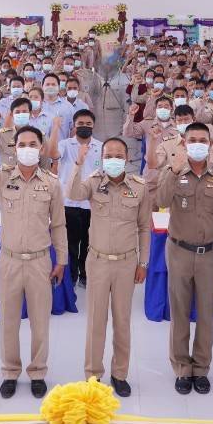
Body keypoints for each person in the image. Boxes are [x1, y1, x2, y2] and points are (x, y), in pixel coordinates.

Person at [0, 125, 68, 399]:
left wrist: (62, 260)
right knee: (8, 321)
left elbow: (58, 225)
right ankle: (10, 371)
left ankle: (38, 371)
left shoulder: (51, 183)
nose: (28, 149)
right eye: (22, 144)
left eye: (33, 144)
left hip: (40, 261)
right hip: (8, 260)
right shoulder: (2, 177)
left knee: (40, 322)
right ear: (15, 148)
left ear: (41, 148)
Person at [156, 121, 213, 396]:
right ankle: (182, 368)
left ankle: (201, 368)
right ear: (184, 143)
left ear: (211, 144)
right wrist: (173, 168)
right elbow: (161, 200)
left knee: (206, 314)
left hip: (211, 254)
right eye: (193, 140)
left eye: (203, 139)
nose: (198, 144)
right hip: (178, 250)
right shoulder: (175, 172)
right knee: (178, 313)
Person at [66, 136, 149, 396]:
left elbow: (145, 227)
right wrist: (77, 164)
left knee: (122, 321)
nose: (113, 159)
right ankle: (93, 374)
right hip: (98, 261)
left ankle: (120, 374)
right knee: (96, 322)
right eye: (108, 155)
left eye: (118, 155)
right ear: (102, 158)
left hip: (126, 263)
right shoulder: (92, 182)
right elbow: (72, 193)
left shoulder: (139, 187)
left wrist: (143, 262)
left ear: (127, 158)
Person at [51, 109, 101, 288]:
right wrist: (55, 128)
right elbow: (52, 154)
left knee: (89, 242)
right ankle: (70, 276)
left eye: (88, 124)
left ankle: (85, 274)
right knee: (70, 242)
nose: (84, 127)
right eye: (80, 124)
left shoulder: (101, 147)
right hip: (69, 202)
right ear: (74, 125)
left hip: (92, 204)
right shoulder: (65, 144)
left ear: (94, 125)